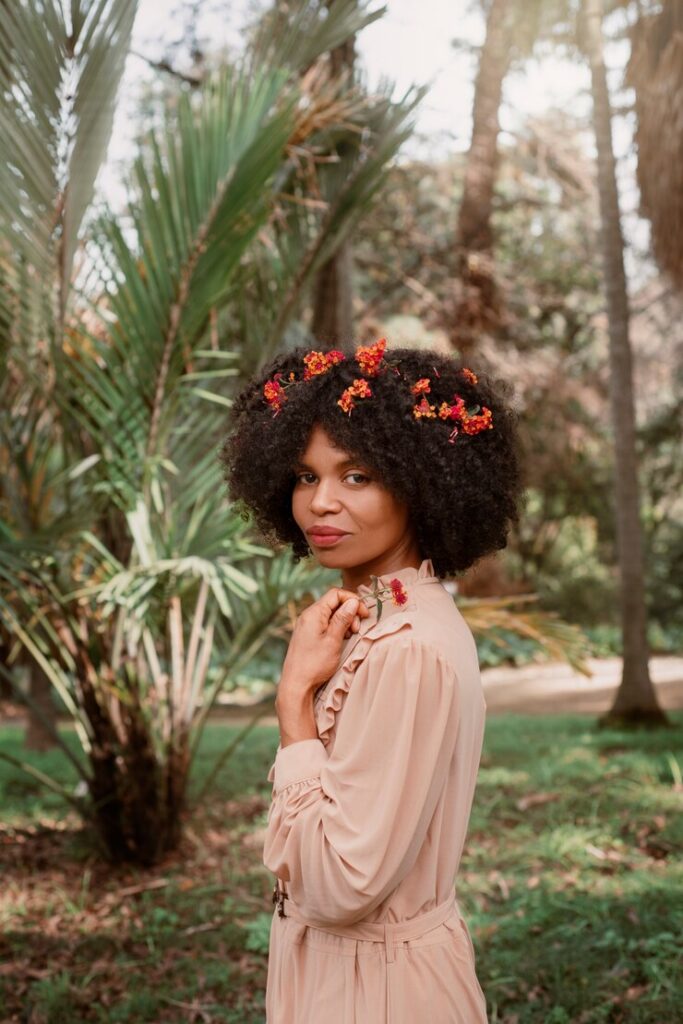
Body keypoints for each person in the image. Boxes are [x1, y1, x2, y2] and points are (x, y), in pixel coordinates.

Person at [219, 338, 524, 1023]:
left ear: (422, 482)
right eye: (303, 476)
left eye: (355, 475)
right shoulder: (378, 625)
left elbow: (339, 885)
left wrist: (293, 700)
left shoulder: (407, 652)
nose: (319, 503)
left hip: (378, 996)